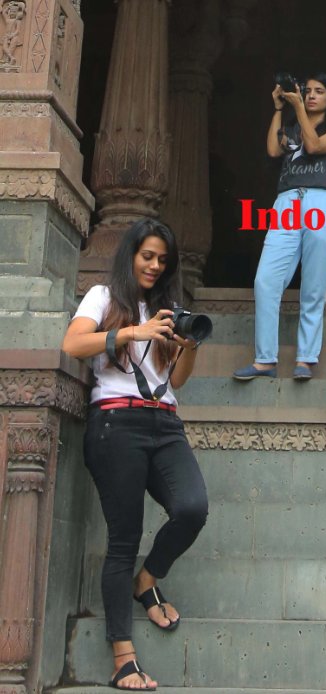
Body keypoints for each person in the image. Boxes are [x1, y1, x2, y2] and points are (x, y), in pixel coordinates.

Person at [62, 219, 208, 690]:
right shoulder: (104, 296)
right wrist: (130, 332)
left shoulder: (169, 309)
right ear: (130, 255)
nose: (155, 266)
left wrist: (187, 346)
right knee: (123, 537)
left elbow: (178, 380)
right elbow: (72, 344)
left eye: (163, 260)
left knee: (192, 508)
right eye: (148, 256)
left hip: (165, 423)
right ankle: (123, 656)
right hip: (115, 422)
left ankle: (146, 579)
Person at [234, 72, 326, 382]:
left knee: (313, 286)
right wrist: (278, 108)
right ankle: (265, 360)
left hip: (322, 202)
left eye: (318, 92)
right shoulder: (290, 129)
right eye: (306, 91)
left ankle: (306, 358)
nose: (311, 96)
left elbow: (312, 146)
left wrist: (297, 107)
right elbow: (274, 150)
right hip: (287, 202)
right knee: (266, 281)